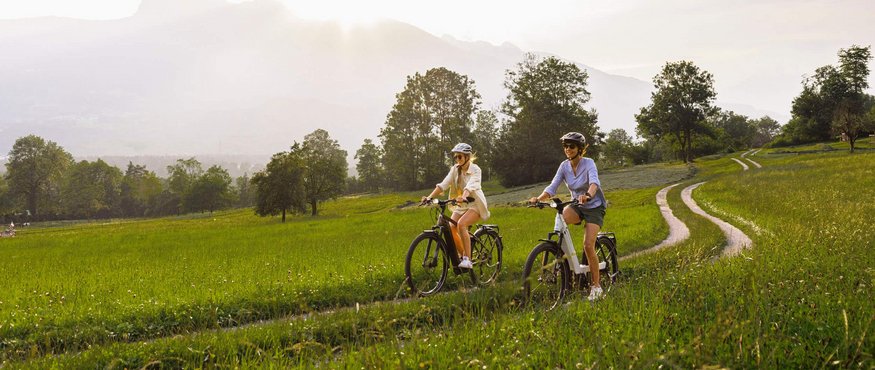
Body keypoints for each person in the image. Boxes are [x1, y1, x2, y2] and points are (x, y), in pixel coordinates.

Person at [529, 132, 607, 301]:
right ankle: (565, 263)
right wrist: (539, 199)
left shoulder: (589, 163)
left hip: (594, 206)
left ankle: (596, 287)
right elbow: (553, 186)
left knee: (588, 245)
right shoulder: (564, 166)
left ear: (580, 149)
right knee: (562, 218)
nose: (568, 149)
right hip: (577, 205)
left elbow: (594, 183)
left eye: (571, 146)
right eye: (565, 146)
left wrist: (588, 194)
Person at [422, 143, 491, 269]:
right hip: (461, 204)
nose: (457, 159)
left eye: (459, 157)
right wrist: (429, 197)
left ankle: (468, 260)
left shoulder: (476, 169)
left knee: (461, 224)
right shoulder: (455, 169)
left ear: (467, 157)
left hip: (475, 203)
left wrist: (463, 196)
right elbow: (443, 184)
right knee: (451, 227)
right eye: (455, 157)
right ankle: (462, 254)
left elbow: (471, 185)